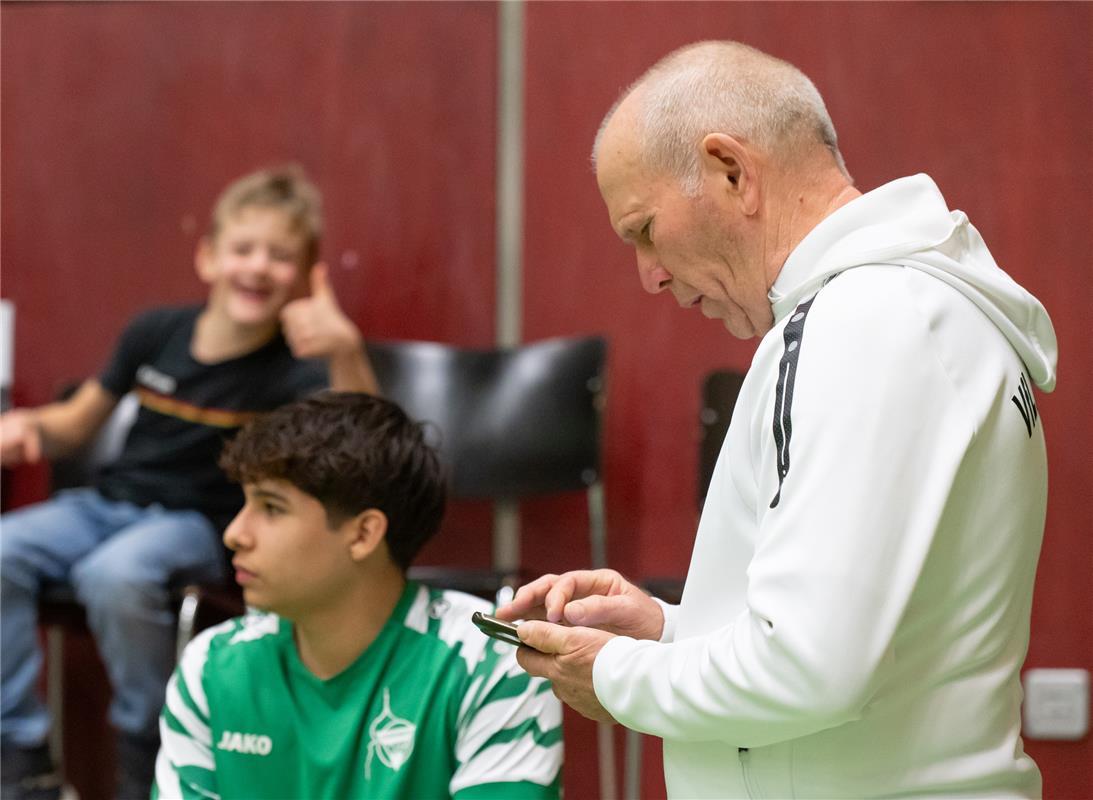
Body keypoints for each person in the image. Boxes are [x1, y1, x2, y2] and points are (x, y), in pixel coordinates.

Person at [496, 40, 1058, 798]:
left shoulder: (860, 321)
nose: (649, 275)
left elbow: (809, 669)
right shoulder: (913, 310)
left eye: (645, 230)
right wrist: (669, 631)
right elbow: (876, 645)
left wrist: (616, 673)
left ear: (732, 171)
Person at [0, 165, 379, 800]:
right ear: (207, 257)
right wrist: (28, 426)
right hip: (104, 506)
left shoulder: (294, 373)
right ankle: (21, 754)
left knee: (114, 576)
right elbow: (77, 423)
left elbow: (366, 442)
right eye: (243, 248)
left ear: (306, 276)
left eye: (280, 255)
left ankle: (147, 746)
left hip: (198, 524)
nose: (257, 267)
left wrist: (345, 350)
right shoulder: (155, 332)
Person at [152, 392, 563, 799]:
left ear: (364, 534)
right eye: (244, 503)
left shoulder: (492, 663)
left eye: (272, 507)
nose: (234, 533)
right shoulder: (211, 666)